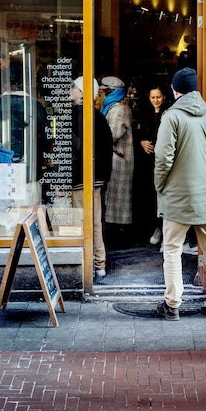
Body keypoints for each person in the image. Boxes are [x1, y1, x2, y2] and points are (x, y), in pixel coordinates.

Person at [152, 68, 206, 320]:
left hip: (177, 195)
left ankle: (172, 303)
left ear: (176, 91)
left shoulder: (171, 117)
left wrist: (160, 185)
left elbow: (163, 158)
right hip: (205, 194)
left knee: (172, 248)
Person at [71, 76, 113, 285]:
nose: (71, 90)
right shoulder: (99, 117)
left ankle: (84, 263)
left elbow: (70, 151)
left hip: (79, 179)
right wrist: (102, 178)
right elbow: (107, 150)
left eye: (74, 87)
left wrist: (64, 179)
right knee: (95, 223)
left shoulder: (74, 116)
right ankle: (99, 265)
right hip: (95, 180)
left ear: (82, 92)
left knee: (77, 223)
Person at [134, 86, 169, 245]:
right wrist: (141, 142)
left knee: (161, 196)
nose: (156, 100)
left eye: (158, 97)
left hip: (162, 160)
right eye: (153, 97)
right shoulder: (145, 114)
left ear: (164, 97)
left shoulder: (168, 114)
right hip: (147, 161)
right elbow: (138, 134)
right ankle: (152, 228)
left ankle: (161, 228)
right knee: (148, 195)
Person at [101, 75, 134, 242]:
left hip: (119, 158)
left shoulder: (118, 109)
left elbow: (112, 134)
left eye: (104, 91)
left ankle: (119, 235)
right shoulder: (116, 107)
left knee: (117, 200)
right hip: (118, 157)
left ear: (110, 92)